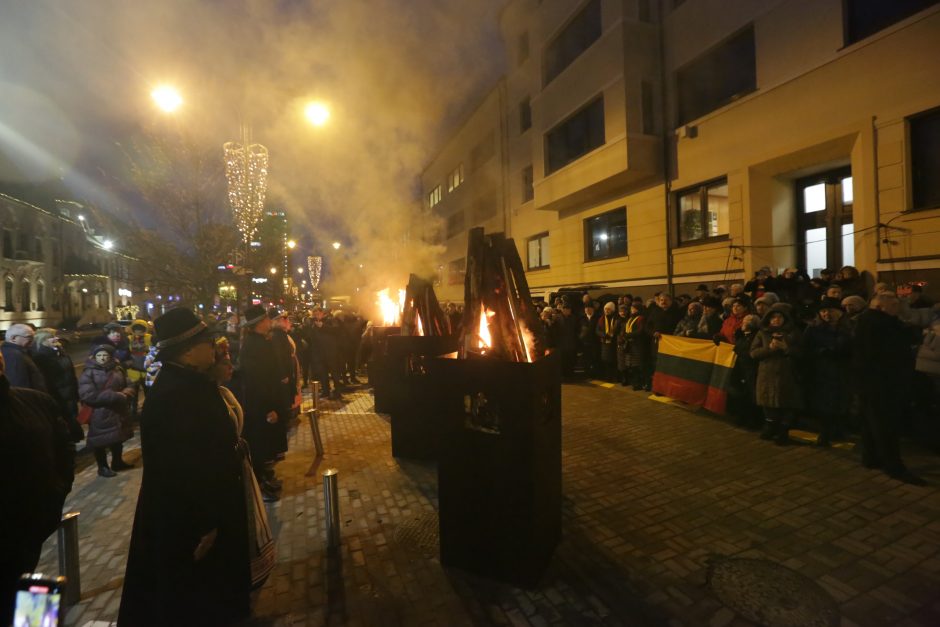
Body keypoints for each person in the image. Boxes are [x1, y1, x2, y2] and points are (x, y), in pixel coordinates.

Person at [118, 308, 252, 626]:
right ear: (188, 350)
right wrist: (205, 522)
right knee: (197, 598)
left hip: (207, 514)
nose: (215, 347)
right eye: (207, 342)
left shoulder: (191, 384)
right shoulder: (175, 396)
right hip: (192, 525)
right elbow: (182, 469)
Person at [0, 350, 74, 625]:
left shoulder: (36, 402)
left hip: (29, 531)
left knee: (33, 591)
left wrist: (56, 493)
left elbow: (64, 450)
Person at [211, 339, 275, 590]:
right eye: (225, 363)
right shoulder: (212, 397)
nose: (231, 367)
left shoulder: (225, 391)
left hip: (239, 464)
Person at [853, 292, 926, 485]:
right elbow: (895, 352)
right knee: (886, 425)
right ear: (882, 307)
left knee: (870, 423)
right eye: (895, 306)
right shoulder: (883, 325)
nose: (898, 310)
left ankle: (870, 458)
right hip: (883, 384)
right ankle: (894, 466)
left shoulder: (864, 321)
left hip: (867, 383)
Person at [237, 304, 289, 502]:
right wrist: (269, 408)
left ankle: (267, 476)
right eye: (267, 319)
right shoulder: (253, 345)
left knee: (268, 445)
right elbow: (256, 380)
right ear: (259, 324)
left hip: (269, 401)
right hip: (261, 406)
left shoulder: (261, 341)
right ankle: (261, 484)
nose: (270, 321)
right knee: (261, 445)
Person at [79, 344, 135, 477]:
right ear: (94, 357)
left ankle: (117, 462)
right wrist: (117, 395)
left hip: (117, 411)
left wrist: (128, 390)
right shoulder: (89, 372)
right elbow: (88, 395)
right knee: (100, 441)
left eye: (105, 355)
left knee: (117, 438)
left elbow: (128, 382)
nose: (102, 358)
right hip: (100, 412)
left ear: (110, 356)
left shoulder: (117, 369)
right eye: (99, 355)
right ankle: (102, 467)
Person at [802, 297, 852, 445]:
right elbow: (806, 349)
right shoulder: (813, 329)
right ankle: (825, 432)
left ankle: (839, 430)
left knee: (841, 401)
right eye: (823, 311)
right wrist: (821, 352)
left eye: (830, 310)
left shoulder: (848, 329)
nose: (827, 314)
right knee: (824, 404)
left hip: (842, 371)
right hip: (822, 371)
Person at [750, 309, 803, 445]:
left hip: (787, 372)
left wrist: (786, 348)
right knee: (768, 400)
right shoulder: (763, 333)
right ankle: (770, 426)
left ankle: (783, 430)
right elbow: (753, 353)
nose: (776, 320)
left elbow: (802, 352)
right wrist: (770, 349)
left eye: (780, 317)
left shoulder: (793, 333)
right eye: (773, 317)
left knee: (786, 400)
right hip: (767, 372)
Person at [30, 328, 83, 442]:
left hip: (69, 394)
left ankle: (72, 441)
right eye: (51, 337)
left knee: (72, 418)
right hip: (58, 396)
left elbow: (70, 373)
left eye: (55, 336)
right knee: (63, 422)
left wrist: (75, 391)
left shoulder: (60, 351)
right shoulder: (40, 357)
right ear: (42, 340)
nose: (56, 338)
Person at [0, 324, 47, 392]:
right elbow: (20, 386)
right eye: (29, 337)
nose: (32, 341)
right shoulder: (14, 355)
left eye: (33, 338)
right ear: (14, 338)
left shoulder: (13, 352)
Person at [596, 302, 619, 382]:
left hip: (614, 342)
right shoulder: (601, 319)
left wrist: (612, 334)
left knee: (613, 360)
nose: (606, 311)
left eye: (608, 309)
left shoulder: (616, 318)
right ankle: (607, 377)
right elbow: (597, 330)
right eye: (605, 309)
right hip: (604, 342)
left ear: (612, 310)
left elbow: (618, 329)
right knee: (606, 360)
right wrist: (604, 335)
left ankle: (614, 377)